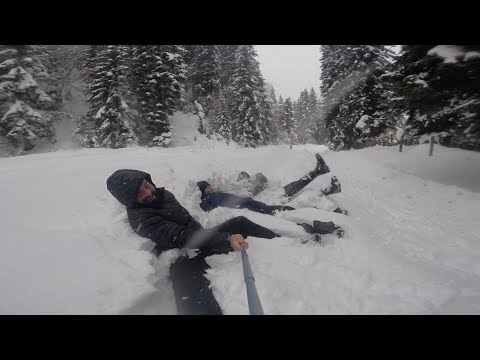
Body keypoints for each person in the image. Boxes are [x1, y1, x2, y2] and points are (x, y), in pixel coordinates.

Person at [106, 169, 281, 315]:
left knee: (239, 222)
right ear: (130, 200)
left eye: (146, 186)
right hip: (181, 253)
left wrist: (214, 237)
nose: (148, 192)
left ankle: (285, 244)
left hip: (199, 238)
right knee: (191, 293)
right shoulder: (140, 218)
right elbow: (181, 236)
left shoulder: (165, 195)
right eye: (139, 194)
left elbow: (190, 223)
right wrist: (226, 239)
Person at [197, 153, 347, 216]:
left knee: (295, 190)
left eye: (210, 185)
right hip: (265, 204)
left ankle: (319, 172)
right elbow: (207, 209)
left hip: (267, 198)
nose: (210, 187)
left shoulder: (220, 193)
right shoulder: (209, 200)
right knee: (298, 205)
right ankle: (332, 208)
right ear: (202, 192)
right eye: (207, 187)